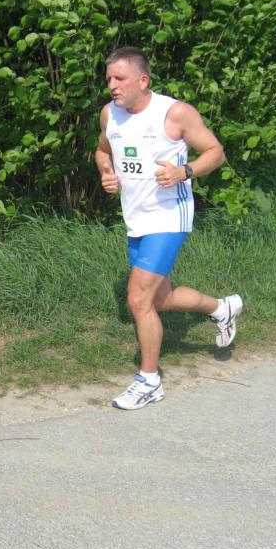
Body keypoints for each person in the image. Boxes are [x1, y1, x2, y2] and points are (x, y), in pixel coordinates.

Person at [94, 47, 243, 410]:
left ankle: (149, 381)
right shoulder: (109, 114)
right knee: (160, 299)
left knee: (138, 299)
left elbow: (215, 152)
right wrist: (106, 173)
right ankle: (222, 308)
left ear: (143, 81)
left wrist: (184, 171)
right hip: (136, 218)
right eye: (109, 79)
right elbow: (102, 151)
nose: (112, 85)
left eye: (120, 78)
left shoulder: (174, 113)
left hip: (168, 217)